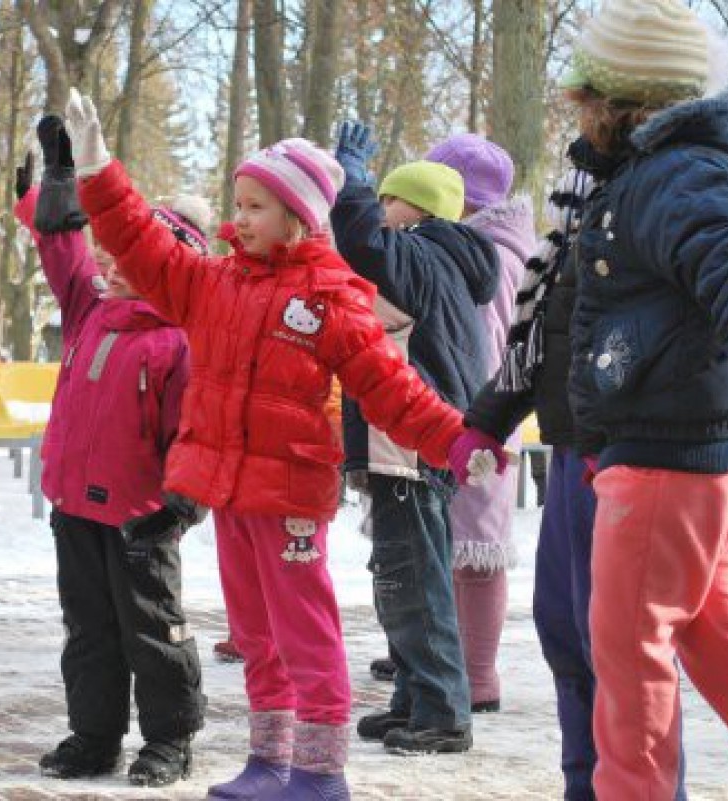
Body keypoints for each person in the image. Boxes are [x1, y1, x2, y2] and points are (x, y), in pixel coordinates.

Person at [459, 1, 728, 796]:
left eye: (586, 100)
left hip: (669, 457)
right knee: (724, 643)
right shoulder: (667, 170)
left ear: (620, 101)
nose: (579, 116)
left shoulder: (675, 174)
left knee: (628, 663)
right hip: (704, 449)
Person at [63, 89, 467, 801]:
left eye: (256, 206)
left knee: (305, 632)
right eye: (238, 204)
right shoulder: (213, 283)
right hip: (228, 492)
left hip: (290, 498)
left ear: (298, 215)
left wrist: (457, 441)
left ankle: (320, 770)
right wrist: (97, 169)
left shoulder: (331, 297)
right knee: (254, 633)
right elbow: (141, 241)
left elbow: (389, 385)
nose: (241, 218)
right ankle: (270, 760)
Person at [11, 115, 207, 787]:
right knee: (88, 628)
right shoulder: (89, 309)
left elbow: (195, 431)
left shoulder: (178, 339)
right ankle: (94, 736)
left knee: (150, 628)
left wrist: (181, 504)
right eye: (111, 255)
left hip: (140, 515)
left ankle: (170, 739)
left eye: (130, 258)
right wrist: (56, 186)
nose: (111, 266)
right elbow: (62, 248)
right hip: (75, 507)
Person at [328, 120, 499, 756]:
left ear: (418, 209)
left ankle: (443, 713)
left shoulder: (422, 253)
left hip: (408, 442)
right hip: (416, 440)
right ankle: (416, 697)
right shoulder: (442, 260)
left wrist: (352, 184)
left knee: (414, 579)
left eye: (388, 199)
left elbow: (363, 245)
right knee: (404, 572)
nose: (380, 210)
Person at [427, 133, 535, 714]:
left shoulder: (487, 257)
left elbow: (489, 346)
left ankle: (477, 673)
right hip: (465, 415)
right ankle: (445, 658)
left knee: (475, 550)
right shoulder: (486, 248)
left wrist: (477, 415)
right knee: (451, 544)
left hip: (479, 418)